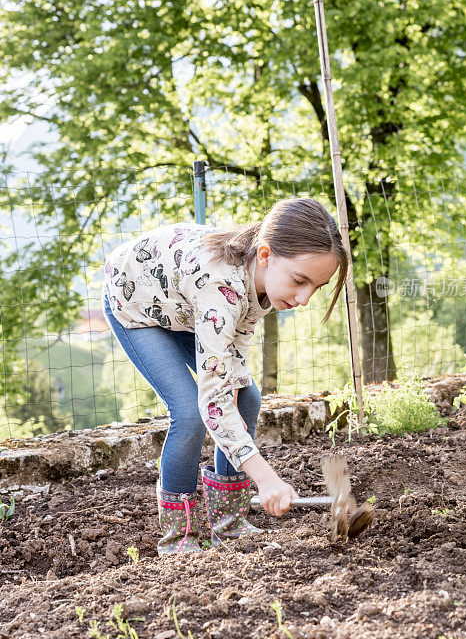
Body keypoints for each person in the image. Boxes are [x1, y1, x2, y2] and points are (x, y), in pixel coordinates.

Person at [102, 197, 349, 555]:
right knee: (189, 413)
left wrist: (231, 397)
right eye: (299, 280)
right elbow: (213, 401)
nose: (305, 298)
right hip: (136, 302)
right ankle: (178, 539)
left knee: (246, 396)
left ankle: (229, 525)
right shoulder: (222, 289)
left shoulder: (258, 284)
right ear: (265, 255)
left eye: (316, 287)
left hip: (185, 307)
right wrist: (265, 479)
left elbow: (228, 374)